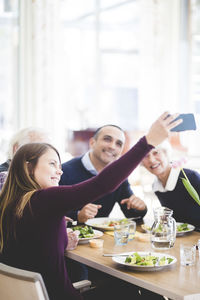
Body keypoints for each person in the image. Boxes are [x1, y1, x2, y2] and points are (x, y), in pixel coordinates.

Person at [0, 112, 182, 300]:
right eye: (53, 164)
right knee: (145, 294)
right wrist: (148, 141)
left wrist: (62, 241)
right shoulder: (45, 199)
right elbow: (102, 184)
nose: (59, 171)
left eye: (59, 165)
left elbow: (32, 247)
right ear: (29, 167)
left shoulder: (10, 202)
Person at [60, 124, 147, 223]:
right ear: (92, 142)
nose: (112, 146)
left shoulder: (119, 174)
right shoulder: (64, 171)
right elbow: (51, 210)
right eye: (107, 139)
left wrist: (141, 208)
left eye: (118, 144)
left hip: (102, 237)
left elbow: (131, 214)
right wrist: (77, 215)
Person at [141, 139, 200, 228]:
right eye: (145, 156)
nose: (151, 160)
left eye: (155, 152)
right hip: (181, 237)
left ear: (166, 153)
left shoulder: (191, 177)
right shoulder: (156, 186)